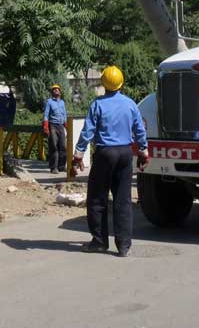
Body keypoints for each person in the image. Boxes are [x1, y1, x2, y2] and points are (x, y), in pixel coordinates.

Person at [72, 66, 148, 257]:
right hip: (125, 153)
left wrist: (78, 155)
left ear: (103, 84)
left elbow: (88, 131)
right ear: (121, 83)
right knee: (123, 200)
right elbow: (140, 130)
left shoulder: (97, 104)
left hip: (105, 153)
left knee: (97, 198)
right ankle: (123, 245)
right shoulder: (130, 104)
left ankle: (99, 241)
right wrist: (143, 152)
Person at [41, 83, 67, 174]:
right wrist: (45, 126)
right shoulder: (49, 102)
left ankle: (61, 166)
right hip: (52, 126)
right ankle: (54, 167)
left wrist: (66, 125)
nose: (56, 90)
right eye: (54, 89)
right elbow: (46, 115)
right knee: (54, 146)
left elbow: (64, 114)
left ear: (60, 92)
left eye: (57, 89)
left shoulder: (62, 102)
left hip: (61, 126)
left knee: (63, 146)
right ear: (52, 92)